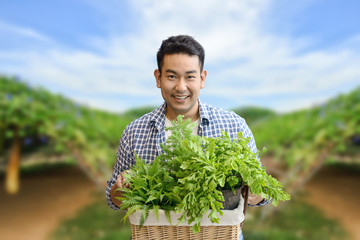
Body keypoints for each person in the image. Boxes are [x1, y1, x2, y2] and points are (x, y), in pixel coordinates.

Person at [106, 35, 268, 239]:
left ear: (202, 78)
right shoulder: (134, 131)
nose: (181, 87)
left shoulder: (234, 126)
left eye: (190, 77)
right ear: (158, 78)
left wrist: (253, 192)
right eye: (171, 76)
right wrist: (122, 190)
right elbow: (113, 199)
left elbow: (262, 194)